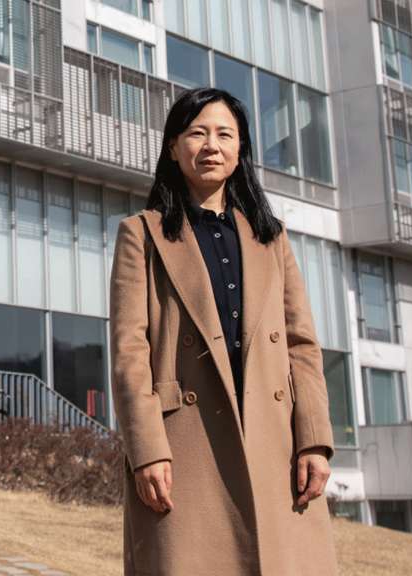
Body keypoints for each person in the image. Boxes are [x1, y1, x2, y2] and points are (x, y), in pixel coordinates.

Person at [109, 87, 339, 575]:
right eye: (197, 133)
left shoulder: (271, 237)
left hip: (274, 442)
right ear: (173, 147)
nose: (211, 145)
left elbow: (301, 345)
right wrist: (146, 450)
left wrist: (314, 439)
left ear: (240, 151)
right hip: (183, 446)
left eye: (224, 134)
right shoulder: (143, 234)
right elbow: (130, 351)